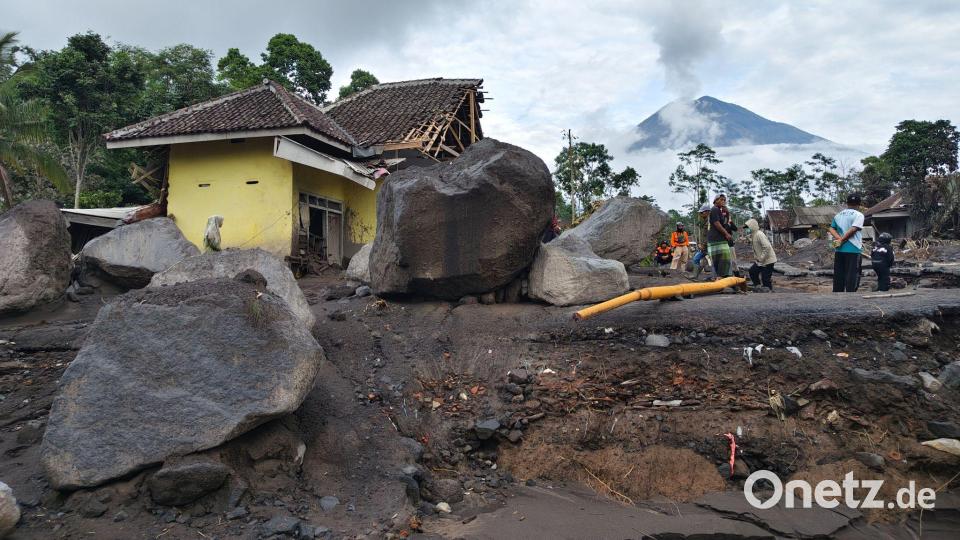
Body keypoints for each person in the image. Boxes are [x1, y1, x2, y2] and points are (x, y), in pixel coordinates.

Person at [829, 193, 865, 292]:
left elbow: (831, 228)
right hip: (853, 249)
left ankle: (837, 293)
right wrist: (842, 239)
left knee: (839, 273)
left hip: (839, 249)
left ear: (847, 203)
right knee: (852, 273)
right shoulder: (859, 215)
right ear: (859, 204)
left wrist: (838, 239)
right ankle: (850, 295)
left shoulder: (838, 215)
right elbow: (853, 229)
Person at [744, 218, 777, 291]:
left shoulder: (759, 234)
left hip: (768, 260)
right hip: (760, 261)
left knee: (765, 279)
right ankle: (758, 287)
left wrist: (761, 258)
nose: (747, 229)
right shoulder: (754, 235)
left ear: (752, 226)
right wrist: (749, 239)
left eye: (748, 227)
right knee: (752, 271)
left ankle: (769, 292)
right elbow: (756, 244)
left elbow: (767, 247)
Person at [706, 194, 735, 278]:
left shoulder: (718, 210)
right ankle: (723, 277)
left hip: (717, 239)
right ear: (715, 200)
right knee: (723, 259)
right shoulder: (715, 209)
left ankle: (721, 277)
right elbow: (717, 223)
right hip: (717, 239)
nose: (723, 201)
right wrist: (726, 234)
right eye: (721, 199)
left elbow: (725, 223)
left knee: (721, 260)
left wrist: (727, 213)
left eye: (724, 200)